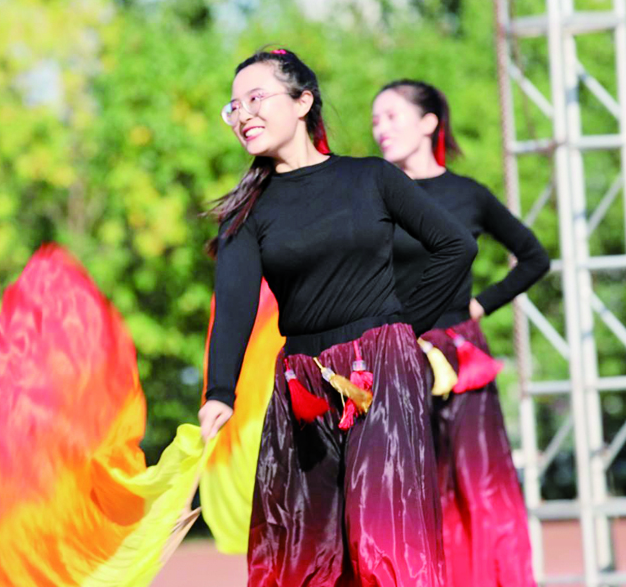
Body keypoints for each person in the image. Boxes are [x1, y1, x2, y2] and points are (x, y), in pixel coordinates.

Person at [198, 49, 477, 586]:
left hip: (383, 375)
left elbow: (456, 246)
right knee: (307, 551)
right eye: (233, 107)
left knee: (382, 541)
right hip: (302, 387)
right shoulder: (245, 213)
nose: (243, 115)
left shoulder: (370, 178)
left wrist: (401, 329)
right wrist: (220, 392)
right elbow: (233, 307)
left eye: (255, 99)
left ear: (302, 102)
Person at [372, 79, 549, 587]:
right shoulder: (373, 192)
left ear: (429, 123)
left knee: (477, 487)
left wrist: (479, 304)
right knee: (399, 489)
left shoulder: (467, 194)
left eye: (392, 116)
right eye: (375, 121)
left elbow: (534, 257)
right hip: (393, 356)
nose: (380, 129)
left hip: (459, 356)